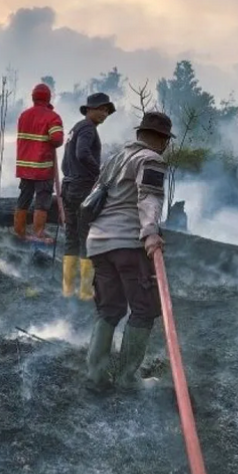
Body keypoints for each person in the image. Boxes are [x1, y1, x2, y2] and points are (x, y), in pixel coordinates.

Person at [83, 111, 173, 392]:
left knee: (109, 308)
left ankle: (96, 376)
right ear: (162, 141)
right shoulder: (151, 159)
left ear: (139, 134)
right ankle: (126, 379)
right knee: (144, 309)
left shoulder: (115, 158)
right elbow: (149, 195)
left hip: (98, 242)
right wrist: (150, 233)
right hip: (127, 243)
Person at [60, 92, 116, 299]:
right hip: (82, 189)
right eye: (101, 109)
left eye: (107, 110)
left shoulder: (77, 127)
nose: (105, 113)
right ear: (90, 109)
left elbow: (69, 159)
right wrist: (99, 172)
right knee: (86, 237)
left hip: (69, 187)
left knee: (71, 236)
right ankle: (85, 291)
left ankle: (67, 289)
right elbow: (82, 154)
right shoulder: (88, 129)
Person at [13, 83, 65, 242]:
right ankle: (39, 234)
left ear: (33, 97)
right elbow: (57, 139)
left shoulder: (24, 115)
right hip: (42, 168)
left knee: (24, 197)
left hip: (25, 166)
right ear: (48, 98)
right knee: (42, 200)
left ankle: (19, 231)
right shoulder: (52, 117)